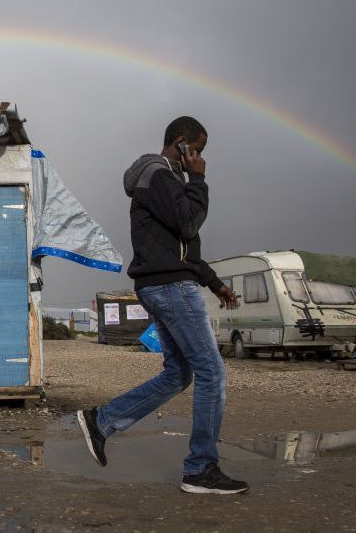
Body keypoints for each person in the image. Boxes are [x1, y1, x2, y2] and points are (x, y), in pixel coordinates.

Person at [77, 116, 249, 495]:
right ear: (182, 142)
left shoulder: (167, 180)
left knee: (179, 374)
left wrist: (215, 283)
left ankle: (101, 421)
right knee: (212, 373)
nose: (200, 157)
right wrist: (199, 179)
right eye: (198, 150)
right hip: (170, 287)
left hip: (166, 283)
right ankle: (201, 468)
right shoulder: (159, 175)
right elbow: (189, 224)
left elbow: (181, 248)